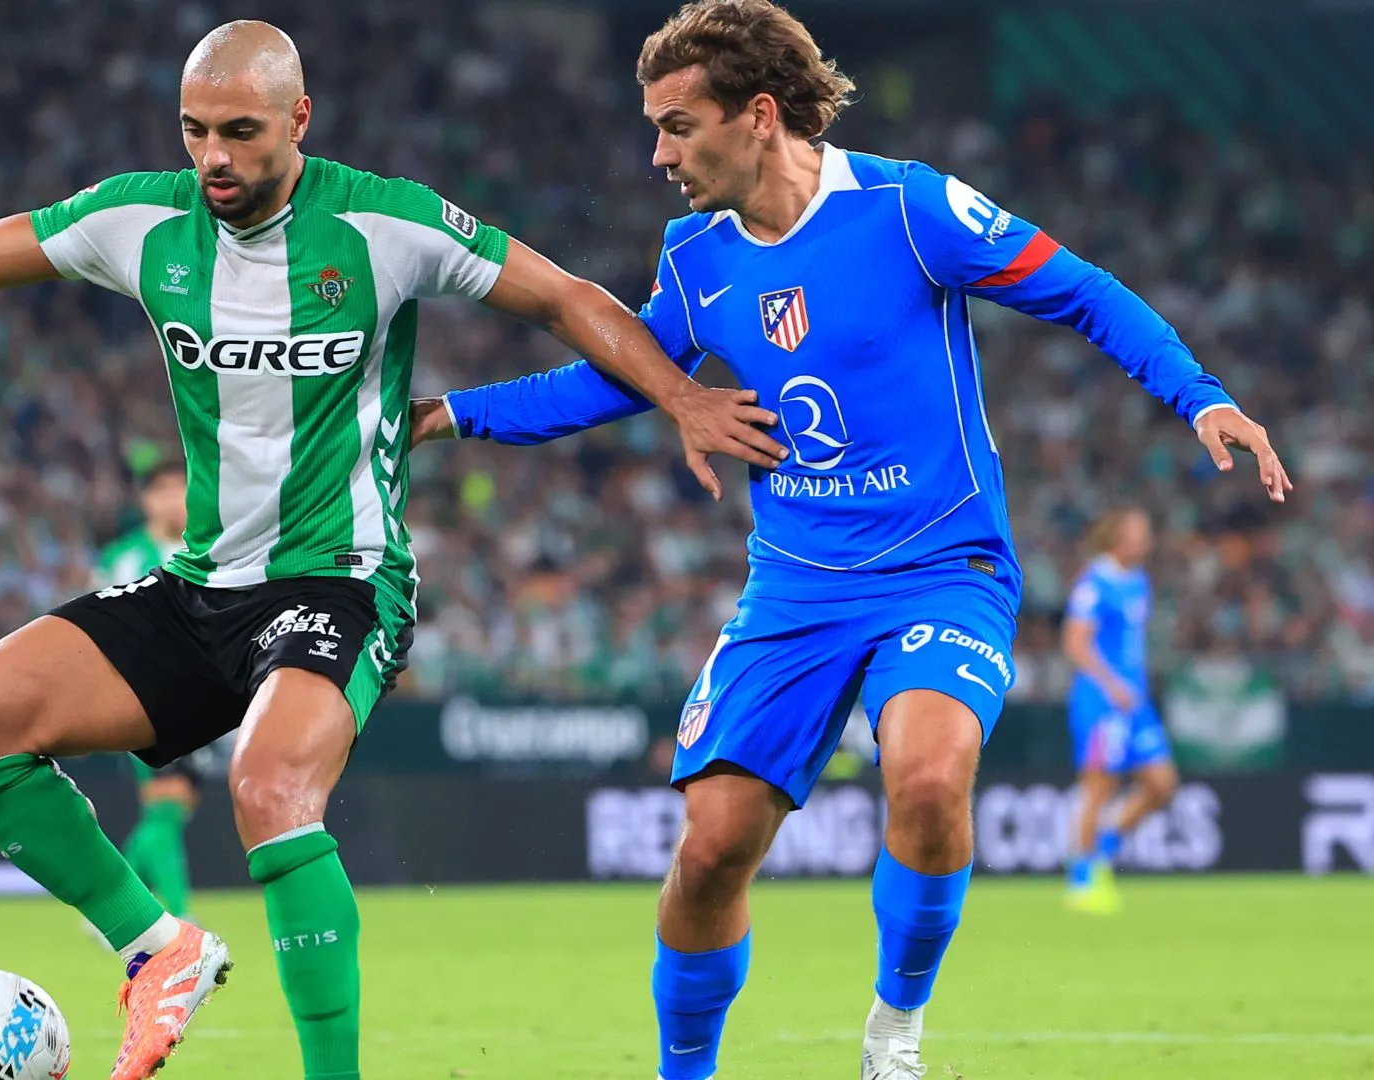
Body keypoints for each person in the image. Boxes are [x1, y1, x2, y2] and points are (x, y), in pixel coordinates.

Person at [0, 19, 776, 1080]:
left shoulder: (382, 222)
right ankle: (156, 948)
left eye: (241, 132)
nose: (214, 157)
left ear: (299, 120)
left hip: (343, 579)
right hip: (200, 586)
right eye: (194, 133)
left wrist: (680, 397)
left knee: (269, 787)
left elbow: (565, 299)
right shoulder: (140, 220)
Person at [414, 2, 1290, 1077]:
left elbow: (1081, 292)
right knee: (707, 854)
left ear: (761, 116)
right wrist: (455, 415)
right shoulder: (695, 259)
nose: (659, 154)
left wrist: (1198, 396)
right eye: (656, 127)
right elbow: (613, 379)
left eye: (680, 125)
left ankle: (894, 1036)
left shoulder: (909, 209)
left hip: (940, 566)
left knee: (926, 782)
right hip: (795, 588)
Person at [1061, 506, 1177, 914]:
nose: (1145, 540)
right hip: (1101, 702)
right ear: (1116, 536)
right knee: (1099, 786)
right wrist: (1111, 685)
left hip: (1135, 702)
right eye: (1137, 532)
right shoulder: (1095, 583)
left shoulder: (1139, 581)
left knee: (1162, 783)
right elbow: (1076, 643)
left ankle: (1103, 846)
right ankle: (1081, 880)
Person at [102, 461, 201, 922]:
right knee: (166, 805)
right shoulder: (126, 556)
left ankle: (111, 905)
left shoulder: (208, 546)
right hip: (144, 692)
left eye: (182, 488)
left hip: (205, 694)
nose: (173, 499)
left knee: (169, 810)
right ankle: (176, 917)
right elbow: (102, 625)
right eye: (163, 491)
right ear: (147, 500)